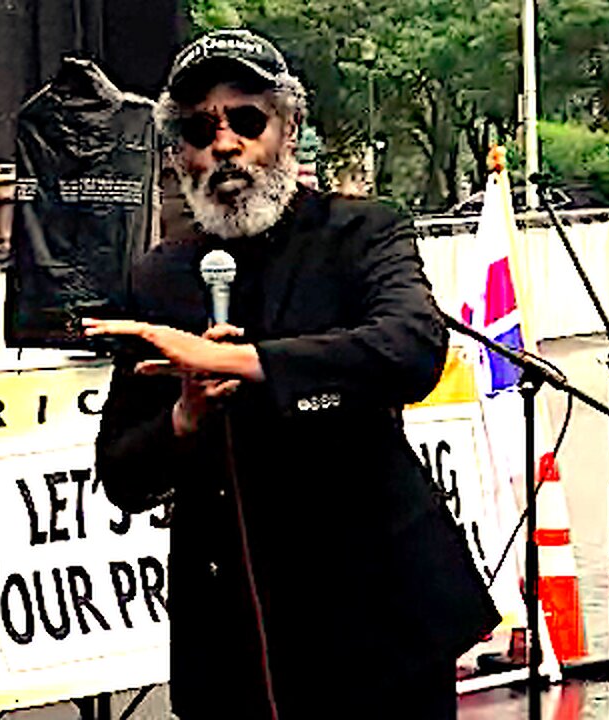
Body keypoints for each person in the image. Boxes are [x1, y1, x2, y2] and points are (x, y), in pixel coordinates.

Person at [86, 28, 499, 720]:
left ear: (289, 129)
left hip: (377, 621)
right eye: (198, 129)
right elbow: (123, 476)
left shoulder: (363, 233)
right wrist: (184, 417)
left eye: (247, 120)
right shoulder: (157, 278)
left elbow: (412, 349)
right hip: (234, 640)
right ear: (177, 154)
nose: (224, 144)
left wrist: (245, 363)